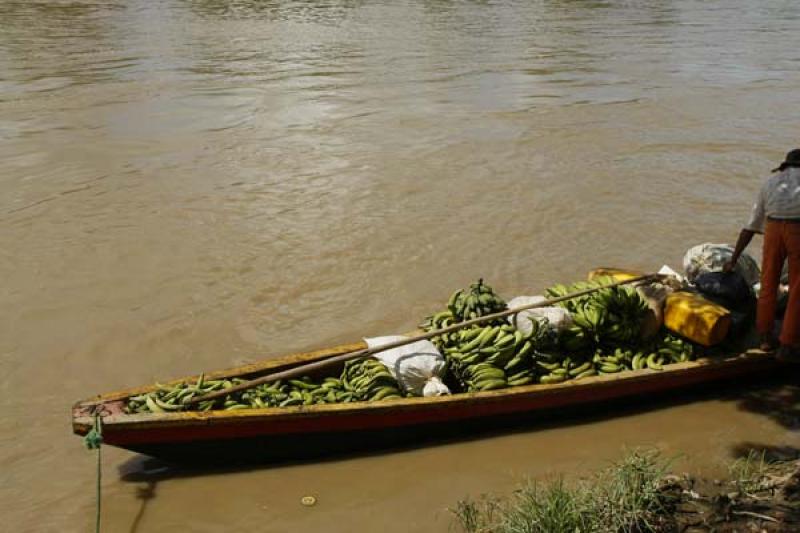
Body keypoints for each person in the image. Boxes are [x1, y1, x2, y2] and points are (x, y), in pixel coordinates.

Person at [725, 148, 800, 361]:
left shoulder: (770, 183)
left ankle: (765, 337)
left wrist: (734, 258)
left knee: (768, 281)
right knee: (796, 288)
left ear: (785, 166)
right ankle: (788, 343)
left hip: (773, 229)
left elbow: (750, 226)